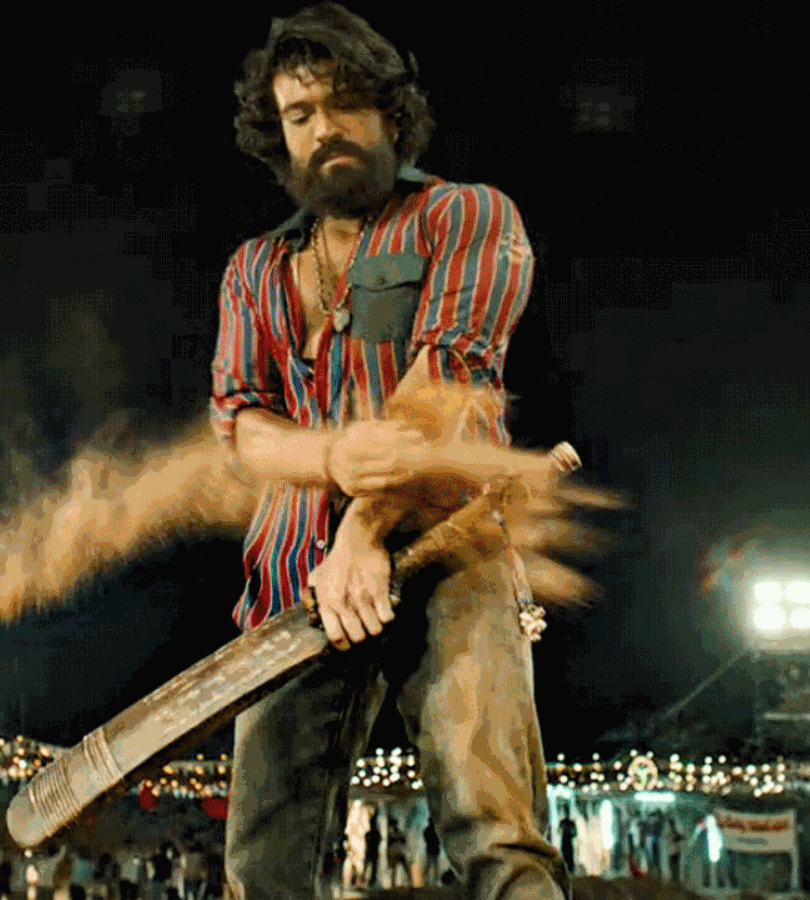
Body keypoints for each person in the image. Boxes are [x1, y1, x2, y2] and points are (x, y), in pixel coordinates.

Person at [214, 7, 566, 900]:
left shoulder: (464, 214)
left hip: (449, 551)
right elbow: (242, 426)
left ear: (390, 111)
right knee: (262, 868)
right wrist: (332, 463)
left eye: (344, 103)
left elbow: (447, 380)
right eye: (299, 114)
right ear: (277, 135)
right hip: (294, 585)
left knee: (498, 839)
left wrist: (363, 529)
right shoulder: (253, 270)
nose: (323, 128)